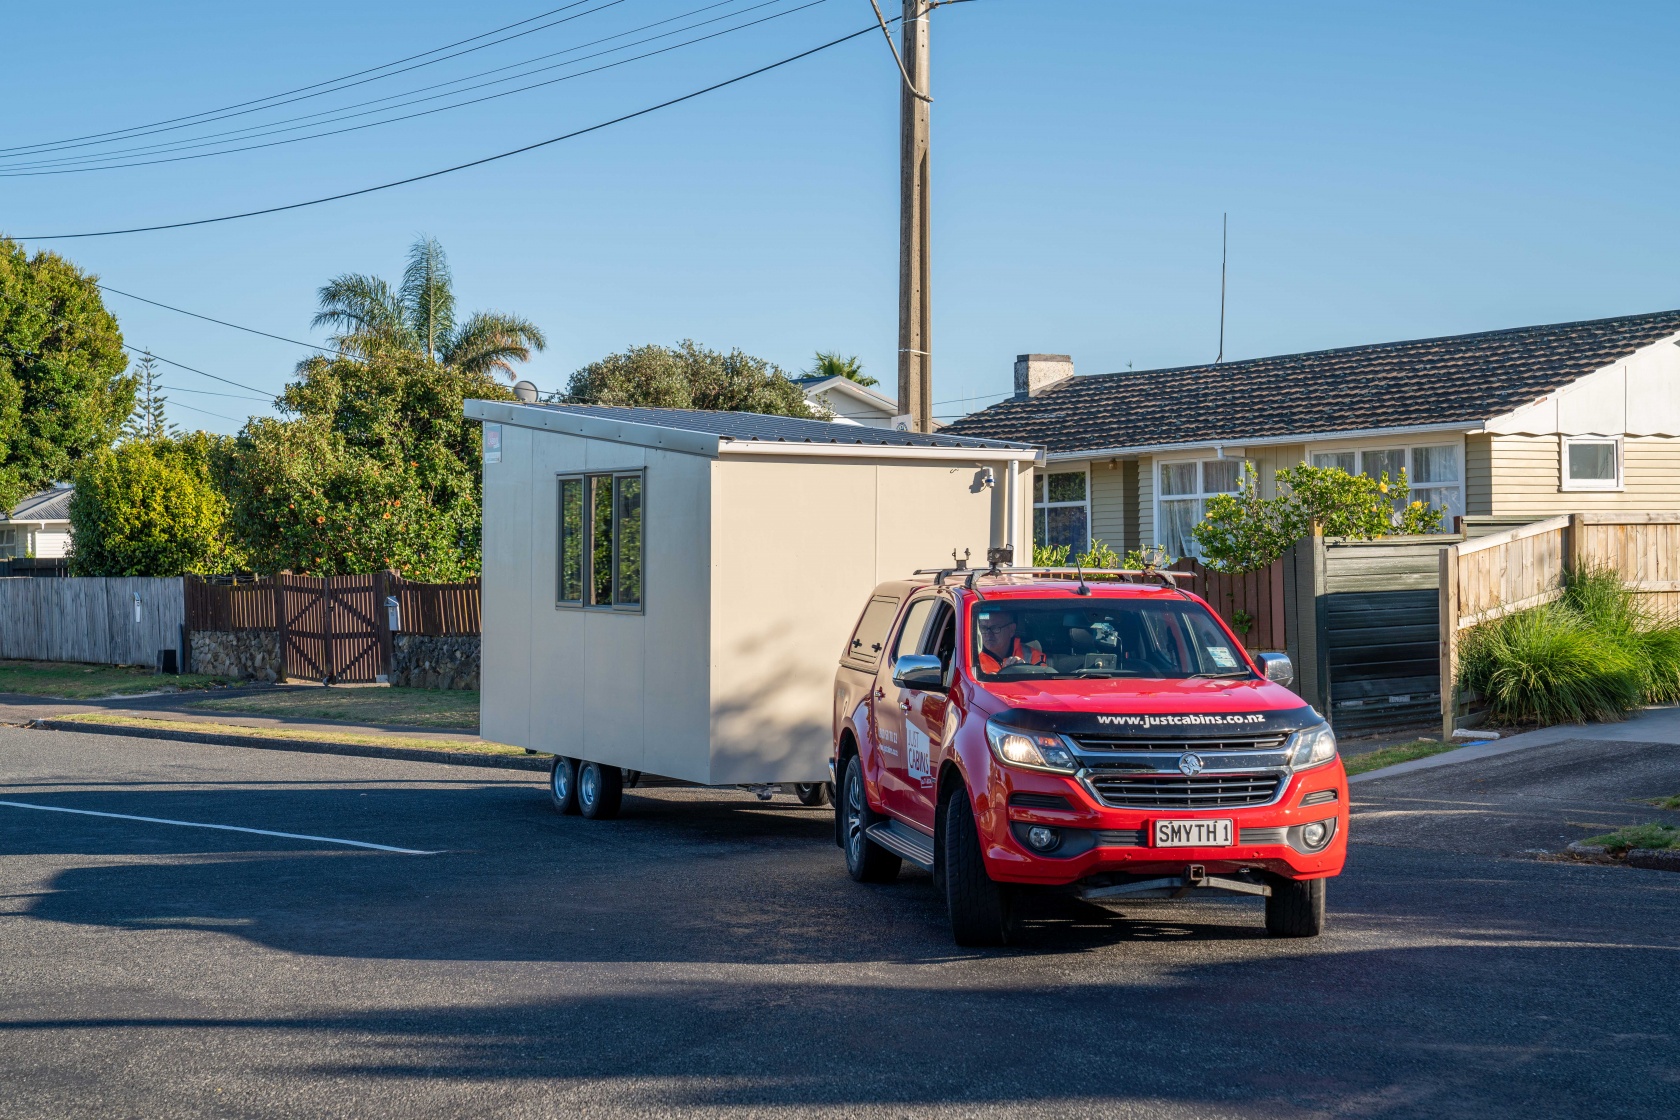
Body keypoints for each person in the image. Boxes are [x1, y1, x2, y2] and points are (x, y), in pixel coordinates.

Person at [976, 608, 1047, 673]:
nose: (988, 634)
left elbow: (1044, 684)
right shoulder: (971, 658)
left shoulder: (1032, 656)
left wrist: (1025, 670)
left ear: (1011, 630)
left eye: (995, 628)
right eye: (984, 628)